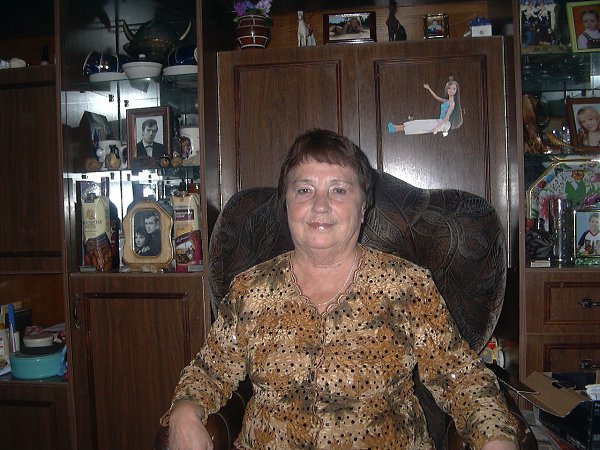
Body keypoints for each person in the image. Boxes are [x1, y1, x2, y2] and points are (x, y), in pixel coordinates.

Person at [160, 129, 518, 450]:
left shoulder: (408, 286)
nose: (320, 206)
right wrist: (184, 412)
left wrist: (496, 438)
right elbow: (210, 371)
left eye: (339, 190)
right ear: (286, 203)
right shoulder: (249, 289)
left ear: (363, 207)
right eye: (304, 190)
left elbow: (460, 377)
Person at [388, 77, 463, 137]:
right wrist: (428, 88)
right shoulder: (446, 101)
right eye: (449, 88)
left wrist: (437, 128)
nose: (451, 90)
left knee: (421, 126)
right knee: (419, 123)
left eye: (454, 89)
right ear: (447, 89)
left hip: (445, 124)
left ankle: (396, 129)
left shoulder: (452, 103)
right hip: (440, 121)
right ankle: (396, 128)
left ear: (456, 91)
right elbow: (436, 97)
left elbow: (446, 118)